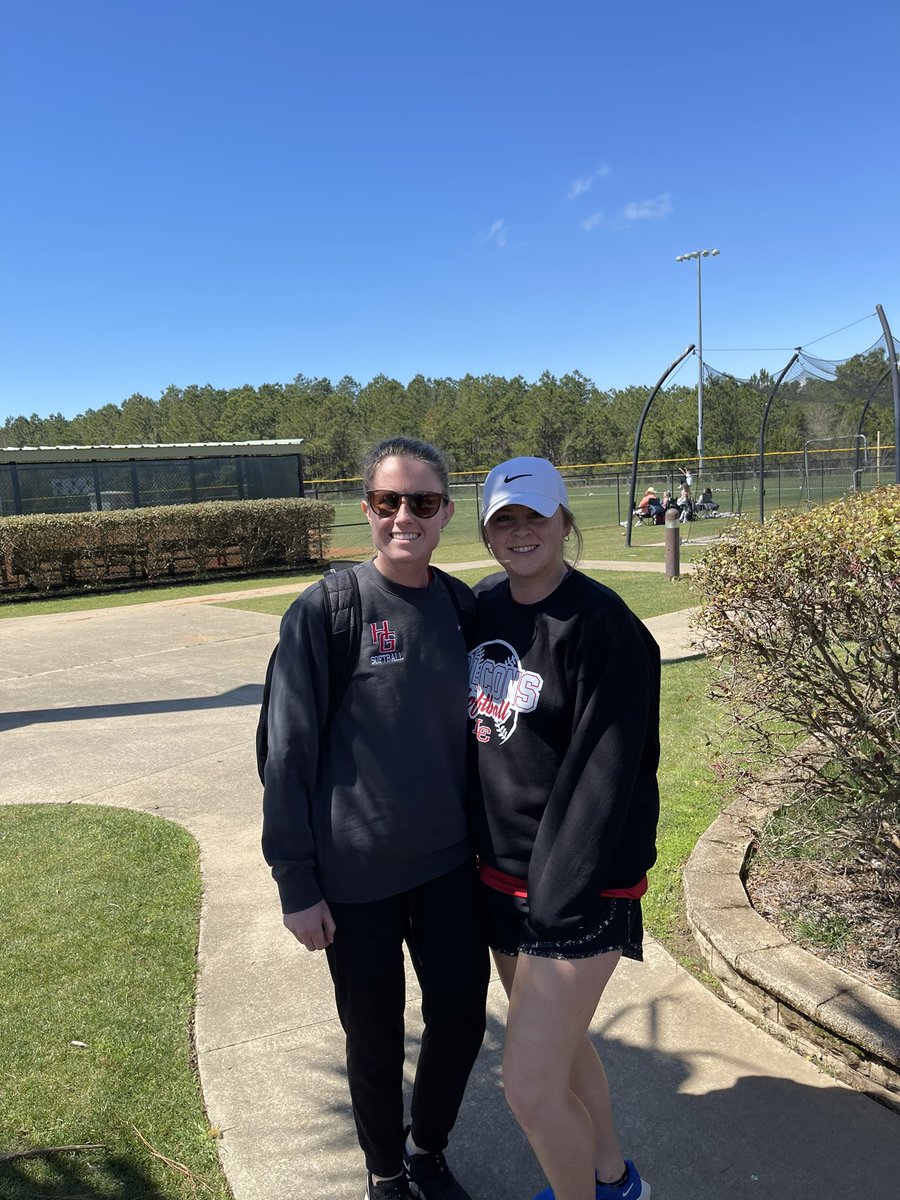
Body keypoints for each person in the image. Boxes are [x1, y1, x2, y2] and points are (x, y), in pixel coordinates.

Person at [262, 437, 489, 1200]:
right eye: (388, 502)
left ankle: (427, 1151)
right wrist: (296, 882)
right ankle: (386, 1173)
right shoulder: (327, 610)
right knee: (375, 1036)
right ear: (367, 510)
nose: (404, 517)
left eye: (421, 503)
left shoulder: (462, 607)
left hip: (450, 865)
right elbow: (285, 751)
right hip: (354, 877)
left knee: (460, 1014)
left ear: (446, 514)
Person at [468, 457, 659, 1200]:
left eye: (535, 517)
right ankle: (613, 1179)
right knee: (565, 1051)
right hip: (501, 878)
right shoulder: (482, 606)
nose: (520, 533)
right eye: (504, 520)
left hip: (577, 890)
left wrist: (557, 898)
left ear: (564, 521)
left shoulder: (605, 627)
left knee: (528, 1090)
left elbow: (606, 780)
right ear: (487, 533)